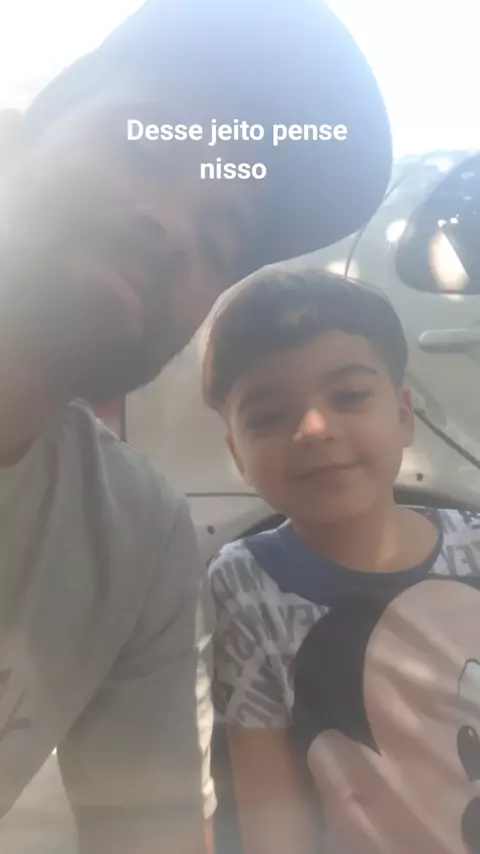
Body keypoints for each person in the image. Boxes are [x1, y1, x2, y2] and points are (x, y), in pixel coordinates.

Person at [0, 1, 391, 851]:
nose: (175, 228)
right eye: (145, 148)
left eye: (220, 237)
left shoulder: (135, 541)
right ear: (17, 140)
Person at [205, 267, 480, 854]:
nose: (313, 428)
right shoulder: (247, 585)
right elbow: (270, 813)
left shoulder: (476, 549)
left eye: (350, 396)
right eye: (268, 416)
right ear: (237, 454)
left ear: (404, 415)